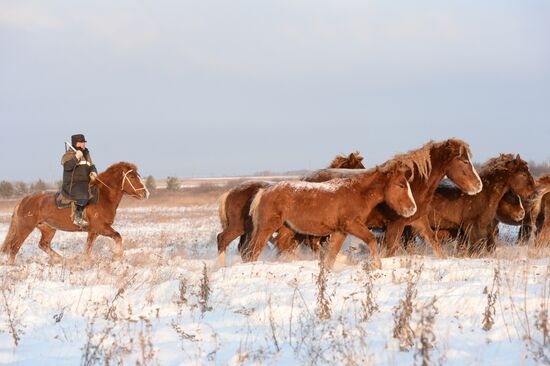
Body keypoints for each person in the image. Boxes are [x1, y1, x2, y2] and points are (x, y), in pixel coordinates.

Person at [61, 134, 98, 227]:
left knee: (98, 191)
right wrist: (76, 158)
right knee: (84, 194)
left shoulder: (86, 153)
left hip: (85, 182)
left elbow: (91, 165)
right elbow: (67, 167)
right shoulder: (68, 155)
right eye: (81, 143)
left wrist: (93, 172)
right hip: (72, 184)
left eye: (83, 142)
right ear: (75, 144)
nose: (83, 144)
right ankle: (78, 217)